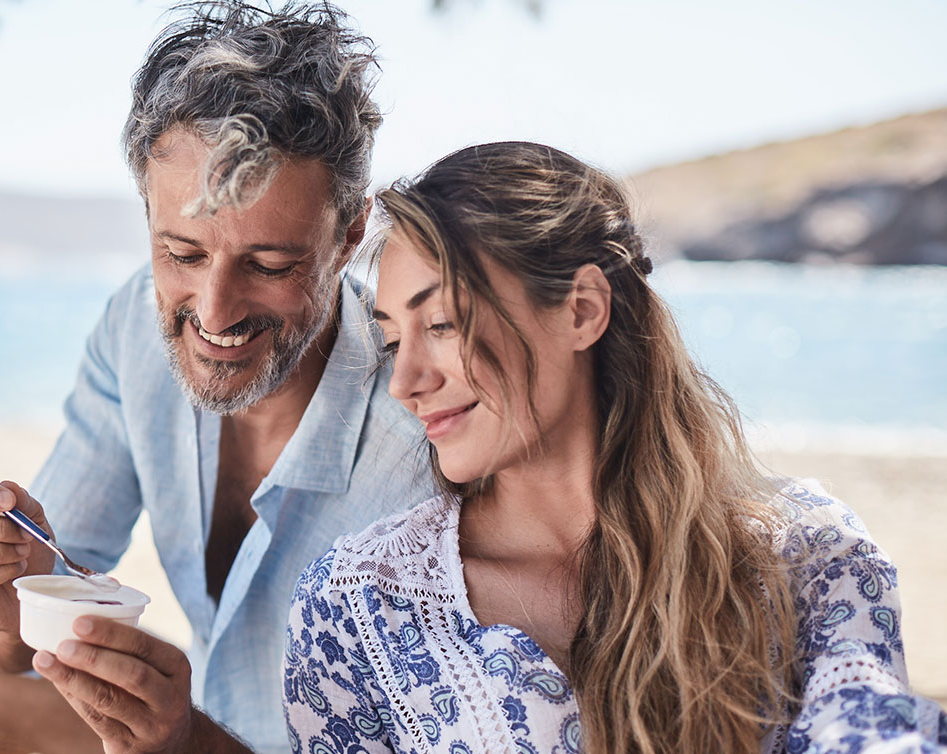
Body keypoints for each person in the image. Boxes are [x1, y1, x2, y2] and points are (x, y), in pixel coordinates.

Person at [0, 4, 431, 754]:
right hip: (179, 732)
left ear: (349, 235)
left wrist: (185, 742)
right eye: (181, 252)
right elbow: (12, 647)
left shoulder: (425, 443)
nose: (214, 314)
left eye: (269, 266)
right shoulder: (134, 332)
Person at [282, 141, 947, 753]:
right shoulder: (360, 608)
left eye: (442, 323)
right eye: (394, 340)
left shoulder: (808, 557)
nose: (406, 382)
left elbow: (865, 725)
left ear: (582, 311)